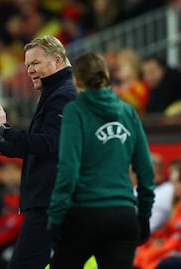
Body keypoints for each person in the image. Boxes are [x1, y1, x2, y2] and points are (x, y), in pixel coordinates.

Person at [0, 35, 77, 268]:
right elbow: (45, 148)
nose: (29, 70)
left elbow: (49, 144)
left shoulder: (64, 95)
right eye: (27, 65)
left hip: (50, 202)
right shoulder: (56, 93)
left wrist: (5, 131)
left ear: (57, 60)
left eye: (35, 63)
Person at [47, 52, 155, 269]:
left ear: (76, 80)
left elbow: (68, 169)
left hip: (85, 214)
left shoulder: (75, 111)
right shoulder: (128, 112)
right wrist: (143, 216)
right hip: (123, 215)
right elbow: (146, 170)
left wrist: (56, 216)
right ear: (106, 75)